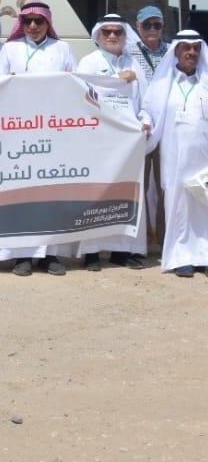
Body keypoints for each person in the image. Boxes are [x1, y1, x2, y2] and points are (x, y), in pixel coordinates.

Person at [0, 3, 76, 275]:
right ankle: (22, 255)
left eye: (38, 21)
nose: (32, 26)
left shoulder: (62, 49)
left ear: (47, 23)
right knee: (22, 193)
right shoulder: (10, 49)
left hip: (54, 132)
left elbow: (76, 86)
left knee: (52, 192)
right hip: (19, 132)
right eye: (27, 21)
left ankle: (50, 255)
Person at [75, 15, 151, 271]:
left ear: (125, 35)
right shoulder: (89, 62)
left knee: (126, 194)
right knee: (96, 194)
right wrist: (118, 79)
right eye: (106, 32)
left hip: (128, 142)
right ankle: (92, 253)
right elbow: (83, 95)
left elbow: (145, 101)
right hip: (99, 139)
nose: (112, 36)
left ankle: (122, 251)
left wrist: (145, 120)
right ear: (98, 35)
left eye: (117, 32)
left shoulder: (135, 63)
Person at [143, 30, 208, 277]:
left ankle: (203, 255)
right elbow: (148, 110)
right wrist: (145, 122)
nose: (192, 52)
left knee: (203, 204)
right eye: (186, 48)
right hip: (174, 157)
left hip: (203, 157)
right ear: (176, 51)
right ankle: (182, 257)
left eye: (196, 48)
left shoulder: (206, 81)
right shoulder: (162, 84)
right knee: (177, 204)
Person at [131, 5, 169, 249]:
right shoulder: (128, 53)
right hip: (140, 127)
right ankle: (142, 239)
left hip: (168, 127)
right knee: (140, 184)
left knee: (166, 183)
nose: (152, 29)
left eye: (157, 24)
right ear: (138, 27)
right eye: (147, 25)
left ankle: (164, 238)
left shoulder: (173, 51)